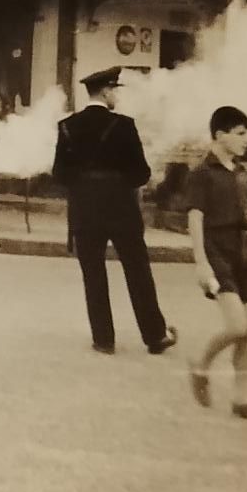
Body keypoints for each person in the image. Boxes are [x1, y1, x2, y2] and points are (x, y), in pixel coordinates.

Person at [52, 67, 178, 357]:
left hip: (84, 210)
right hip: (121, 208)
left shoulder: (66, 126)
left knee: (93, 272)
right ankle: (155, 335)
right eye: (115, 90)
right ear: (107, 91)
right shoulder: (124, 125)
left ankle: (104, 339)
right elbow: (141, 173)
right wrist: (119, 181)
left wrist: (84, 185)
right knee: (137, 269)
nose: (117, 95)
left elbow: (59, 174)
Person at [185, 106, 247, 422]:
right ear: (220, 136)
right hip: (216, 251)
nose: (246, 140)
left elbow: (242, 220)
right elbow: (195, 219)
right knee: (237, 326)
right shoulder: (201, 174)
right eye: (240, 133)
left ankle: (241, 400)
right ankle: (200, 364)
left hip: (241, 252)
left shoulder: (238, 172)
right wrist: (201, 263)